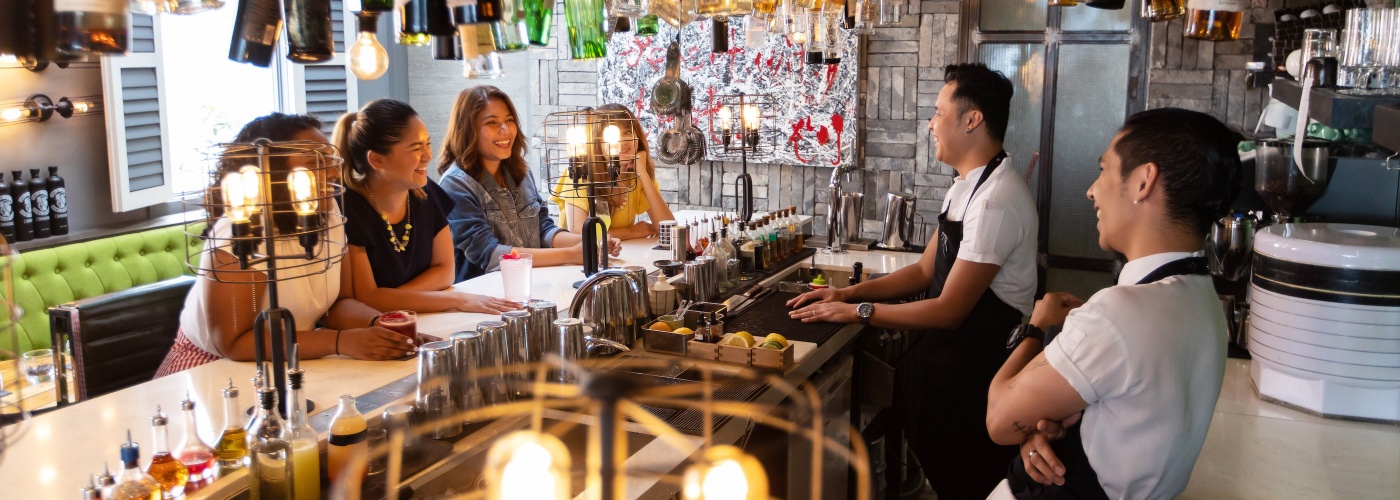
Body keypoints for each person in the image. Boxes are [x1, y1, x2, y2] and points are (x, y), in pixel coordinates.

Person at [787, 63, 1038, 498]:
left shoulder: (996, 200)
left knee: (969, 479)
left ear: (972, 119)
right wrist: (848, 291)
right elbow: (925, 271)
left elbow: (949, 310)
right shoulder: (967, 186)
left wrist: (858, 312)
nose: (930, 125)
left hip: (978, 373)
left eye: (938, 113)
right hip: (951, 364)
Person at [985, 108, 1240, 499]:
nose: (1092, 190)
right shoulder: (1202, 299)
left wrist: (1035, 327)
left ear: (1142, 181)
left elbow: (1001, 418)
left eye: (1104, 170)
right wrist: (1046, 427)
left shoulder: (1118, 313)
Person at [157, 113, 414, 377]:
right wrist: (341, 342)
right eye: (315, 160)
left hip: (291, 358)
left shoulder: (329, 211)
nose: (335, 171)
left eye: (330, 157)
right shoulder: (240, 232)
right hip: (211, 369)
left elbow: (338, 304)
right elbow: (234, 343)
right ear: (273, 171)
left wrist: (386, 327)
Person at [334, 99, 518, 314]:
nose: (428, 156)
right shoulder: (347, 207)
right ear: (376, 160)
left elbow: (444, 271)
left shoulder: (427, 193)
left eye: (428, 144)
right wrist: (457, 300)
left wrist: (393, 299)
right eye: (416, 148)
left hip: (417, 316)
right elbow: (367, 297)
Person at [438, 86, 620, 282]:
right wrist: (570, 254)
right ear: (468, 130)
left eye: (509, 120)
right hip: (486, 294)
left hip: (532, 283)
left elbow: (543, 229)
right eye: (491, 122)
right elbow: (490, 255)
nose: (505, 130)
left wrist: (591, 242)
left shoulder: (521, 172)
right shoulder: (455, 184)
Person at [549, 103, 676, 240]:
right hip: (579, 259)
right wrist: (631, 232)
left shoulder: (636, 176)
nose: (622, 141)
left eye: (627, 132)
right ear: (597, 142)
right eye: (611, 135)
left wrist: (643, 174)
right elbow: (580, 233)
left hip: (620, 255)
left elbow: (667, 229)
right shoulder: (580, 173)